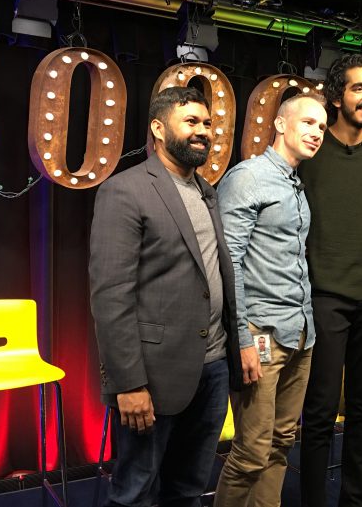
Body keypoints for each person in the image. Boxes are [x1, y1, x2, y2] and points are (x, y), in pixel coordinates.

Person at [89, 86, 242, 507]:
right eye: (191, 122)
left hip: (211, 370)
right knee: (135, 493)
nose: (203, 131)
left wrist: (237, 346)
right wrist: (129, 384)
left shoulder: (207, 192)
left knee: (189, 489)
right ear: (158, 128)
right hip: (153, 377)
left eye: (207, 123)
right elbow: (111, 296)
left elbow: (217, 276)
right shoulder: (125, 191)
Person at [213, 93, 328, 507]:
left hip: (301, 336)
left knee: (281, 443)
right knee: (250, 453)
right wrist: (241, 337)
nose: (316, 132)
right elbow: (229, 265)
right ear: (280, 124)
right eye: (308, 122)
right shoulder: (248, 178)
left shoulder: (295, 183)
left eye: (321, 126)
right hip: (260, 336)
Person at [297, 54, 362, 507]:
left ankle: (354, 500)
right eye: (359, 89)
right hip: (324, 297)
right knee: (318, 412)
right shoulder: (310, 151)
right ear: (336, 97)